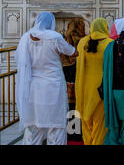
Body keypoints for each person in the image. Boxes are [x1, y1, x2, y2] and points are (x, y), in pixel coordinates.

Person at [16, 12, 78, 145]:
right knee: (56, 125)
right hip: (53, 86)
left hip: (34, 86)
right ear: (51, 23)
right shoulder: (54, 37)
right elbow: (72, 52)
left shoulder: (26, 37)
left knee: (34, 125)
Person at [75, 18, 113, 145]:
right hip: (102, 88)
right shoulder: (110, 43)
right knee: (100, 124)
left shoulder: (82, 42)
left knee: (86, 122)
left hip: (84, 87)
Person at [61, 17, 86, 141]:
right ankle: (77, 133)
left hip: (66, 76)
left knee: (70, 105)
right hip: (80, 75)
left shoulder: (64, 40)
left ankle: (70, 132)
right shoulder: (84, 40)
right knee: (78, 105)